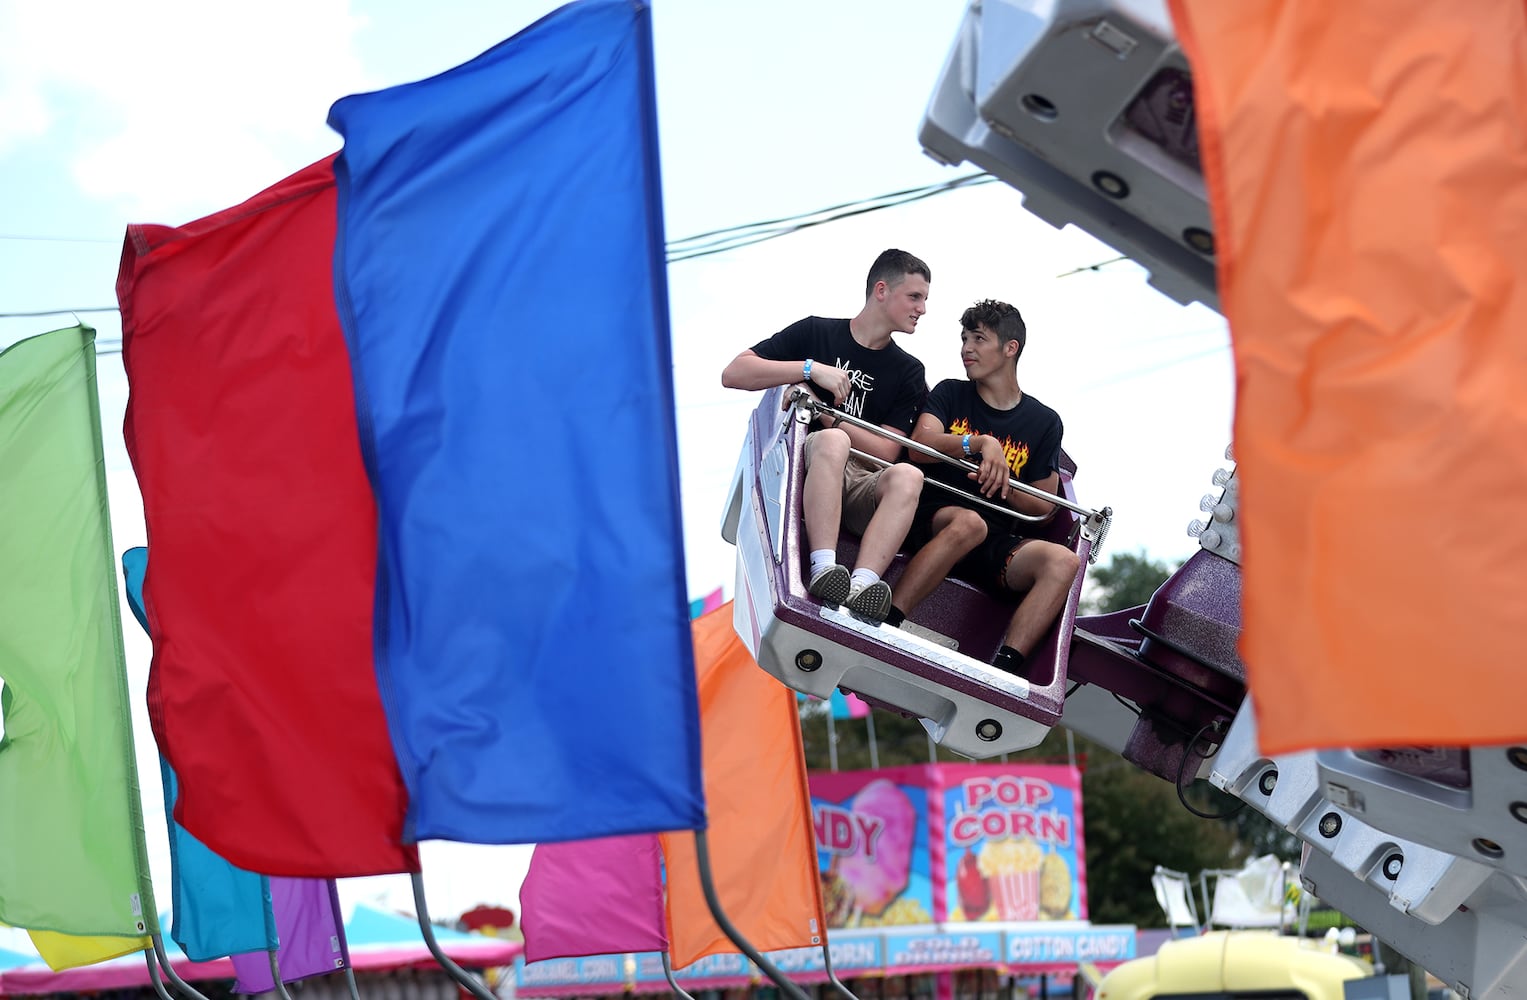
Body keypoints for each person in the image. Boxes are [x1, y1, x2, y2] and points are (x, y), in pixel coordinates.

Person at [720, 249, 930, 623]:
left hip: (864, 480)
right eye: (915, 296)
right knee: (834, 442)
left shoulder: (909, 371)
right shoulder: (817, 331)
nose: (923, 309)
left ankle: (862, 586)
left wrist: (825, 414)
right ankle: (823, 568)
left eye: (925, 299)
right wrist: (809, 368)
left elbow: (887, 448)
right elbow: (735, 373)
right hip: (808, 468)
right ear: (881, 290)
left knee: (909, 475)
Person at [886, 299, 1080, 677]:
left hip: (994, 539)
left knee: (1063, 561)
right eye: (964, 338)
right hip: (933, 516)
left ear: (1011, 349)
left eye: (978, 339)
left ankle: (1004, 670)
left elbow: (1043, 508)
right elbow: (919, 445)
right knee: (969, 523)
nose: (966, 348)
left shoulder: (1044, 422)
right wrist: (977, 444)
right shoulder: (951, 393)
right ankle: (885, 619)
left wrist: (1002, 481)